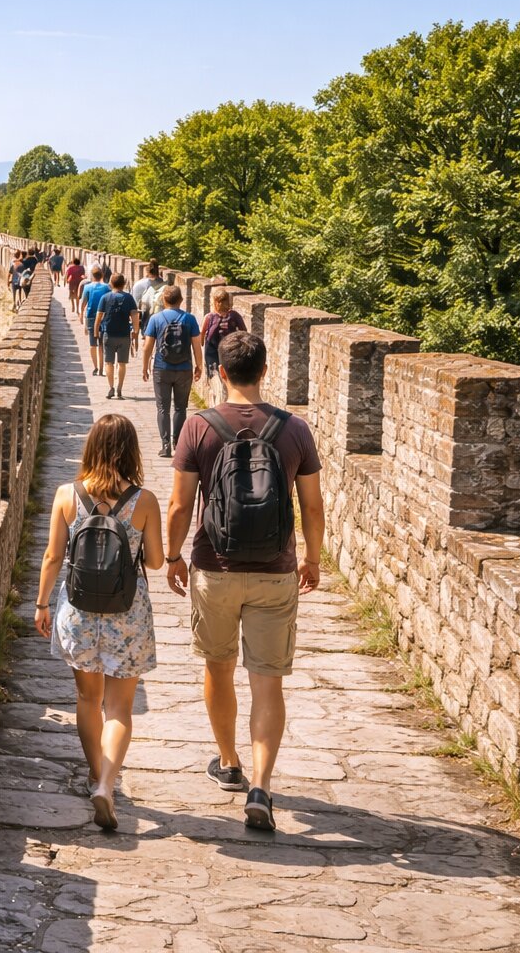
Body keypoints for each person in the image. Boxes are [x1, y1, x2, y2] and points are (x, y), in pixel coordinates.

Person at [165, 331, 324, 832]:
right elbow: (312, 506)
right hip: (276, 573)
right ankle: (262, 785)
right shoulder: (294, 429)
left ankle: (229, 762)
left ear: (220, 371)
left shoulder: (199, 427)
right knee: (268, 682)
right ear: (265, 371)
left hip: (215, 567)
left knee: (218, 667)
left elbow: (179, 504)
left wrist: (173, 556)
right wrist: (313, 558)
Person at [35, 413, 166, 831]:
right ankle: (107, 785)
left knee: (87, 700)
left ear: (90, 447)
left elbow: (53, 557)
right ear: (132, 450)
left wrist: (41, 605)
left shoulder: (66, 495)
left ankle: (96, 774)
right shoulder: (143, 501)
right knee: (120, 708)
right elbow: (157, 561)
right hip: (126, 614)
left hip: (77, 610)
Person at [141, 285, 202, 457]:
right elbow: (197, 345)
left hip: (162, 368)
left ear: (163, 300)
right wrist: (199, 366)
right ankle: (178, 444)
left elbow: (147, 347)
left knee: (162, 408)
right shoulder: (189, 319)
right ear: (181, 300)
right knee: (181, 408)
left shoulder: (156, 318)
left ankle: (165, 445)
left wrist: (145, 367)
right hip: (184, 369)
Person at [94, 273, 139, 399]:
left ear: (111, 284)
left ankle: (111, 387)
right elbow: (135, 315)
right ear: (124, 284)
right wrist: (135, 331)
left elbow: (99, 316)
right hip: (124, 334)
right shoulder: (129, 298)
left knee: (109, 363)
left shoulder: (105, 297)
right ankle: (119, 388)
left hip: (109, 334)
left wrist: (96, 332)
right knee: (122, 363)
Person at [202, 289, 247, 405]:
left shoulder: (211, 317)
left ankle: (219, 402)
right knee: (221, 375)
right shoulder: (232, 316)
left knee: (217, 375)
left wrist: (201, 344)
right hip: (224, 349)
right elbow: (244, 331)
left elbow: (202, 333)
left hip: (217, 350)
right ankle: (221, 400)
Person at [81, 265, 112, 377]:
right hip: (104, 317)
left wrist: (81, 316)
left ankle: (95, 367)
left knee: (92, 344)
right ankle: (101, 368)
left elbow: (84, 303)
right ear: (102, 275)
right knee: (101, 345)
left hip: (91, 317)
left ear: (92, 276)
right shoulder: (107, 287)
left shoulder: (87, 287)